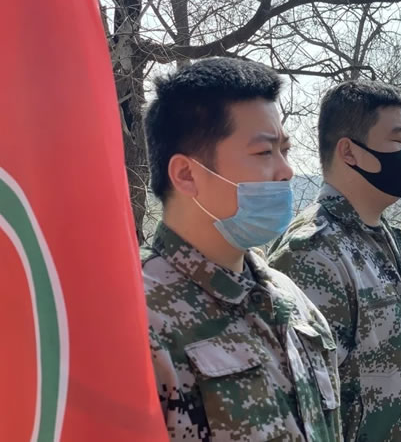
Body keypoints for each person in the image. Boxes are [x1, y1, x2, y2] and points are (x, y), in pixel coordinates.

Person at [141, 58, 341, 442]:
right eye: (264, 153)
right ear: (186, 175)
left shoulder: (290, 299)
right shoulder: (138, 320)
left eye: (285, 150)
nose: (286, 171)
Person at [269, 80, 401, 441]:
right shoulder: (312, 253)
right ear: (349, 151)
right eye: (398, 140)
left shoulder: (394, 242)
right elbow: (306, 409)